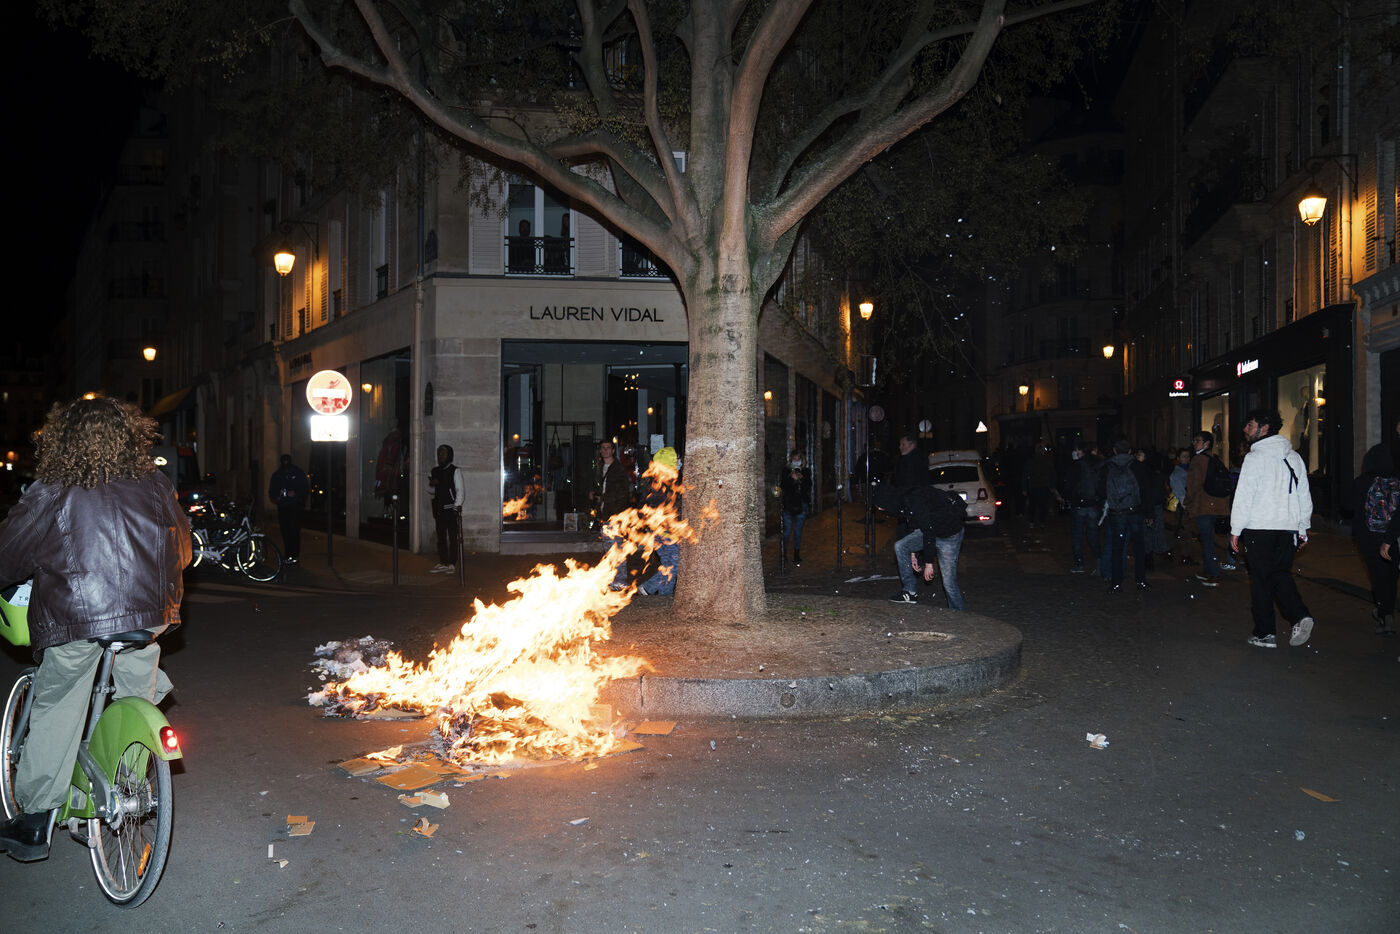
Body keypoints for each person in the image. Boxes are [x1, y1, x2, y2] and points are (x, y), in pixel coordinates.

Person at [0, 395, 191, 862]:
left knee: (59, 701)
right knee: (138, 693)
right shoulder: (156, 484)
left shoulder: (52, 489)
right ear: (129, 437)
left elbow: (10, 552)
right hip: (149, 618)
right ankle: (128, 785)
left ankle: (36, 817)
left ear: (63, 440)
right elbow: (183, 549)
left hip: (78, 618)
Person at [1229, 409, 1314, 649]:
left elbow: (1244, 497)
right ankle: (1299, 616)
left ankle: (1266, 632)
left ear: (1264, 427)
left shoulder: (1255, 458)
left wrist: (1236, 529)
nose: (1245, 429)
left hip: (1260, 528)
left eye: (1250, 424)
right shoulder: (1294, 457)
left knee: (1261, 581)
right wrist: (1302, 528)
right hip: (1287, 529)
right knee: (1279, 574)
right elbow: (1304, 495)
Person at [878, 484, 966, 609]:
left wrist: (929, 563)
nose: (881, 510)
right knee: (901, 546)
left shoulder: (915, 500)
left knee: (948, 582)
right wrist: (913, 554)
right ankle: (910, 592)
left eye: (882, 507)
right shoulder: (905, 502)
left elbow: (928, 531)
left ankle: (957, 612)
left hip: (949, 535)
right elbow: (914, 526)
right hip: (930, 529)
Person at [1347, 443, 1398, 635]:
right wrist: (1391, 536)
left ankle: (1384, 613)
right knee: (1390, 575)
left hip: (1367, 535)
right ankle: (1388, 611)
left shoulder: (1362, 482)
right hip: (1391, 536)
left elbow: (1347, 506)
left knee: (1377, 576)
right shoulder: (1395, 482)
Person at [1098, 438, 1150, 592]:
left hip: (1117, 512)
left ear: (1115, 450)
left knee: (1117, 548)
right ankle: (1140, 580)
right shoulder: (1137, 466)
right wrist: (1149, 513)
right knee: (1139, 547)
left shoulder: (1107, 466)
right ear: (1130, 451)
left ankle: (1116, 582)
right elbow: (1146, 490)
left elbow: (1100, 490)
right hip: (1135, 511)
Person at [1185, 430, 1232, 587]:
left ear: (1206, 444)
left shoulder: (1198, 460)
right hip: (1218, 505)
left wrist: (1187, 501)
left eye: (1197, 440)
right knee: (1208, 540)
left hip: (1203, 506)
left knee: (1207, 541)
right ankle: (1208, 571)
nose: (1194, 443)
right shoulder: (1215, 458)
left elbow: (1193, 484)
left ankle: (1213, 574)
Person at [638, 447, 681, 596]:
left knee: (668, 564)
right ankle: (648, 587)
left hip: (658, 532)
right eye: (677, 460)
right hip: (666, 533)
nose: (679, 463)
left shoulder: (655, 482)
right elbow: (668, 509)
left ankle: (664, 597)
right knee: (674, 565)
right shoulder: (666, 484)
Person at [1062, 439, 1102, 574]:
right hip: (1093, 503)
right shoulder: (1097, 463)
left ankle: (1080, 564)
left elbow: (1069, 485)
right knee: (1093, 535)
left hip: (1079, 504)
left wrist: (1067, 498)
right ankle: (1098, 562)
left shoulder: (1076, 465)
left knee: (1077, 535)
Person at [268, 453, 310, 563]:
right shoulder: (277, 475)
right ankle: (288, 554)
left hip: (295, 506)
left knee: (294, 530)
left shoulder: (297, 472)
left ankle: (294, 554)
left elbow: (304, 489)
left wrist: (295, 494)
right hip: (283, 506)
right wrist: (279, 495)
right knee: (285, 531)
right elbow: (272, 492)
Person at [1136, 448, 1170, 569]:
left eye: (1140, 455)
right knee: (1154, 532)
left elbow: (1148, 493)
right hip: (1154, 506)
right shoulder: (1157, 474)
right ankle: (1157, 553)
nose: (1138, 457)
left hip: (1148, 506)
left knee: (1148, 533)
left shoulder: (1146, 473)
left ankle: (1150, 558)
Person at [428, 444, 460, 573]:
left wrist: (457, 507)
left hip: (451, 509)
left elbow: (460, 490)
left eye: (443, 453)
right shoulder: (435, 471)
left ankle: (452, 563)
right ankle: (443, 562)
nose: (441, 456)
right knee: (441, 537)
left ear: (449, 455)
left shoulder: (455, 470)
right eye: (439, 453)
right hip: (439, 509)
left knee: (452, 537)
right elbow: (431, 491)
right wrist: (432, 485)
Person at [779, 449, 812, 567]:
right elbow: (783, 486)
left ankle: (796, 554)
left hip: (801, 504)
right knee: (787, 530)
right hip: (789, 503)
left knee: (798, 530)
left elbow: (809, 486)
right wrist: (792, 479)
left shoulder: (806, 471)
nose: (796, 460)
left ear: (802, 459)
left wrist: (801, 479)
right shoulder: (786, 470)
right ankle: (783, 553)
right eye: (794, 458)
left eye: (798, 458)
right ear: (791, 459)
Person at [1025, 441, 1058, 528]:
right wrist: (1052, 486)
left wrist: (1024, 488)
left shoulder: (1031, 461)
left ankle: (1031, 522)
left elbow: (1025, 475)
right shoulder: (1047, 461)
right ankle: (1042, 522)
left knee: (1032, 505)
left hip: (1033, 486)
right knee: (1043, 505)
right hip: (1044, 486)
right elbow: (1053, 474)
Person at [1168, 448, 1191, 539]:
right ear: (1178, 458)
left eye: (1188, 456)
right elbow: (1179, 490)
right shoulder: (1177, 473)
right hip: (1182, 503)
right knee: (1183, 526)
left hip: (1188, 502)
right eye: (1184, 456)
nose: (1186, 458)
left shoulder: (1190, 470)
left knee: (1186, 526)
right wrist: (1184, 503)